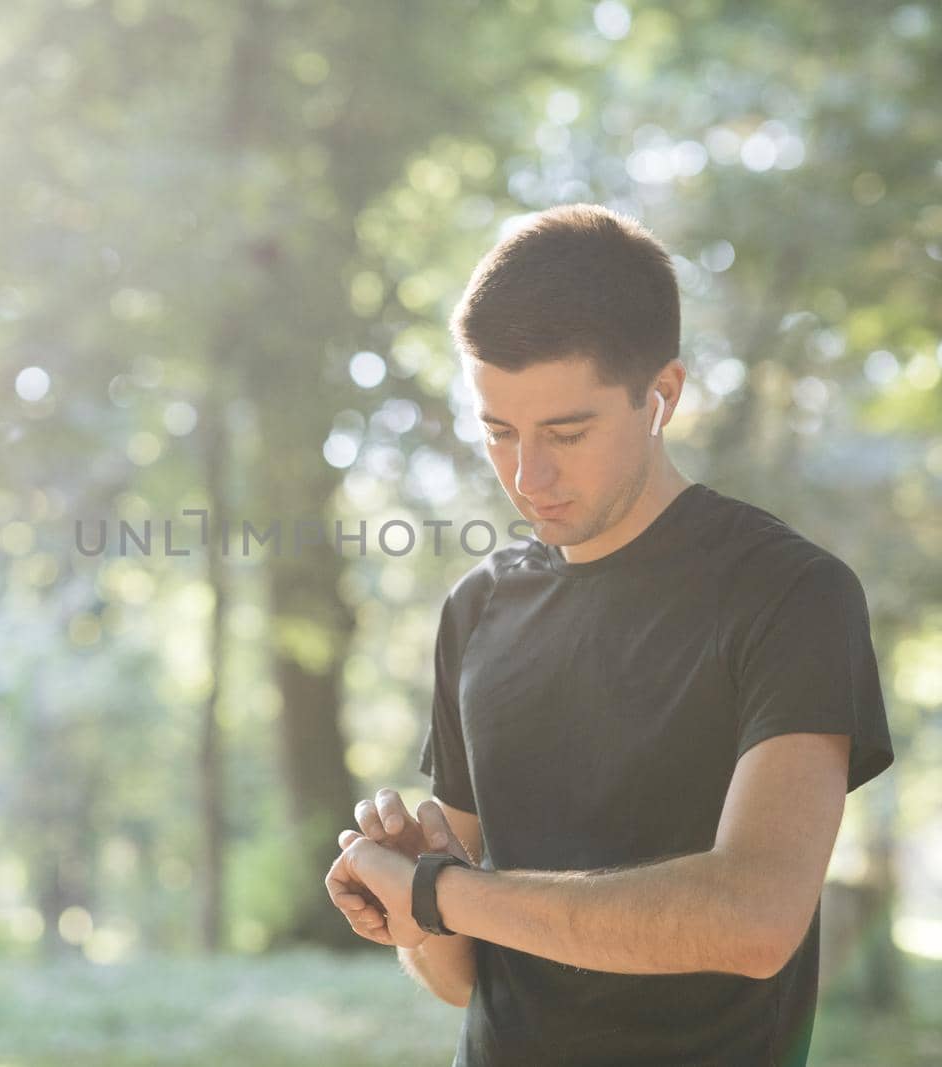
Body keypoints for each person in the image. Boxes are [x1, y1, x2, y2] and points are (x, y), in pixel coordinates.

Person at [323, 203, 895, 1066]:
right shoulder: (476, 611)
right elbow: (462, 975)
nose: (528, 475)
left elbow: (754, 918)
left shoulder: (791, 595)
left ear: (661, 394)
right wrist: (412, 901)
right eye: (498, 431)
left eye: (566, 431)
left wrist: (444, 890)